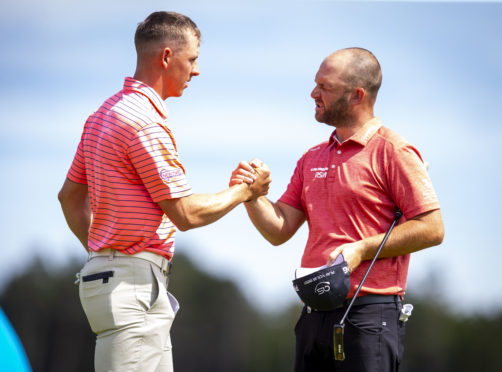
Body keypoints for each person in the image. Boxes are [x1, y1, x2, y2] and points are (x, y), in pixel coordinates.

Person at [58, 11, 270, 372]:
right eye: (192, 59)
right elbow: (185, 214)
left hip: (115, 282)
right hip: (133, 288)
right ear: (167, 57)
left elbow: (70, 198)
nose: (196, 70)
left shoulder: (102, 115)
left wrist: (103, 253)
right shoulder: (145, 122)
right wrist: (244, 191)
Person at [230, 48, 444, 371]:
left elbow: (432, 228)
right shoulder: (311, 157)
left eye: (324, 87)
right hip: (313, 315)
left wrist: (361, 249)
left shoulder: (394, 151)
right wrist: (251, 196)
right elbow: (280, 228)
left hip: (370, 316)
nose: (313, 93)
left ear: (357, 95)